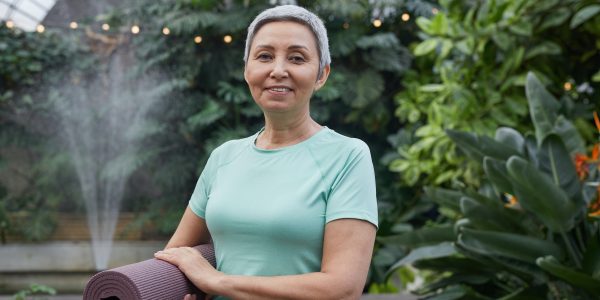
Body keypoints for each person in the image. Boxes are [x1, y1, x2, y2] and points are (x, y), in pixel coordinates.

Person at [154, 5, 378, 299]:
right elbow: (175, 256)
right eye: (264, 56)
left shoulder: (347, 156)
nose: (278, 70)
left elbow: (343, 288)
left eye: (297, 58)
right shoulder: (225, 156)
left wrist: (218, 282)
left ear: (321, 75)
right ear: (247, 70)